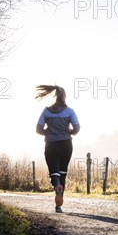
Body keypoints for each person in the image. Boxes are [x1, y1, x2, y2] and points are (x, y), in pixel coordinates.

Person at [35, 85, 80, 213]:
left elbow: (38, 129)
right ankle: (59, 205)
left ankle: (57, 187)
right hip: (66, 144)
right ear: (64, 97)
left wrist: (48, 133)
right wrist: (68, 132)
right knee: (62, 173)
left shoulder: (46, 111)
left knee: (54, 173)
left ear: (54, 97)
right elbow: (77, 128)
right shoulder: (70, 111)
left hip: (51, 144)